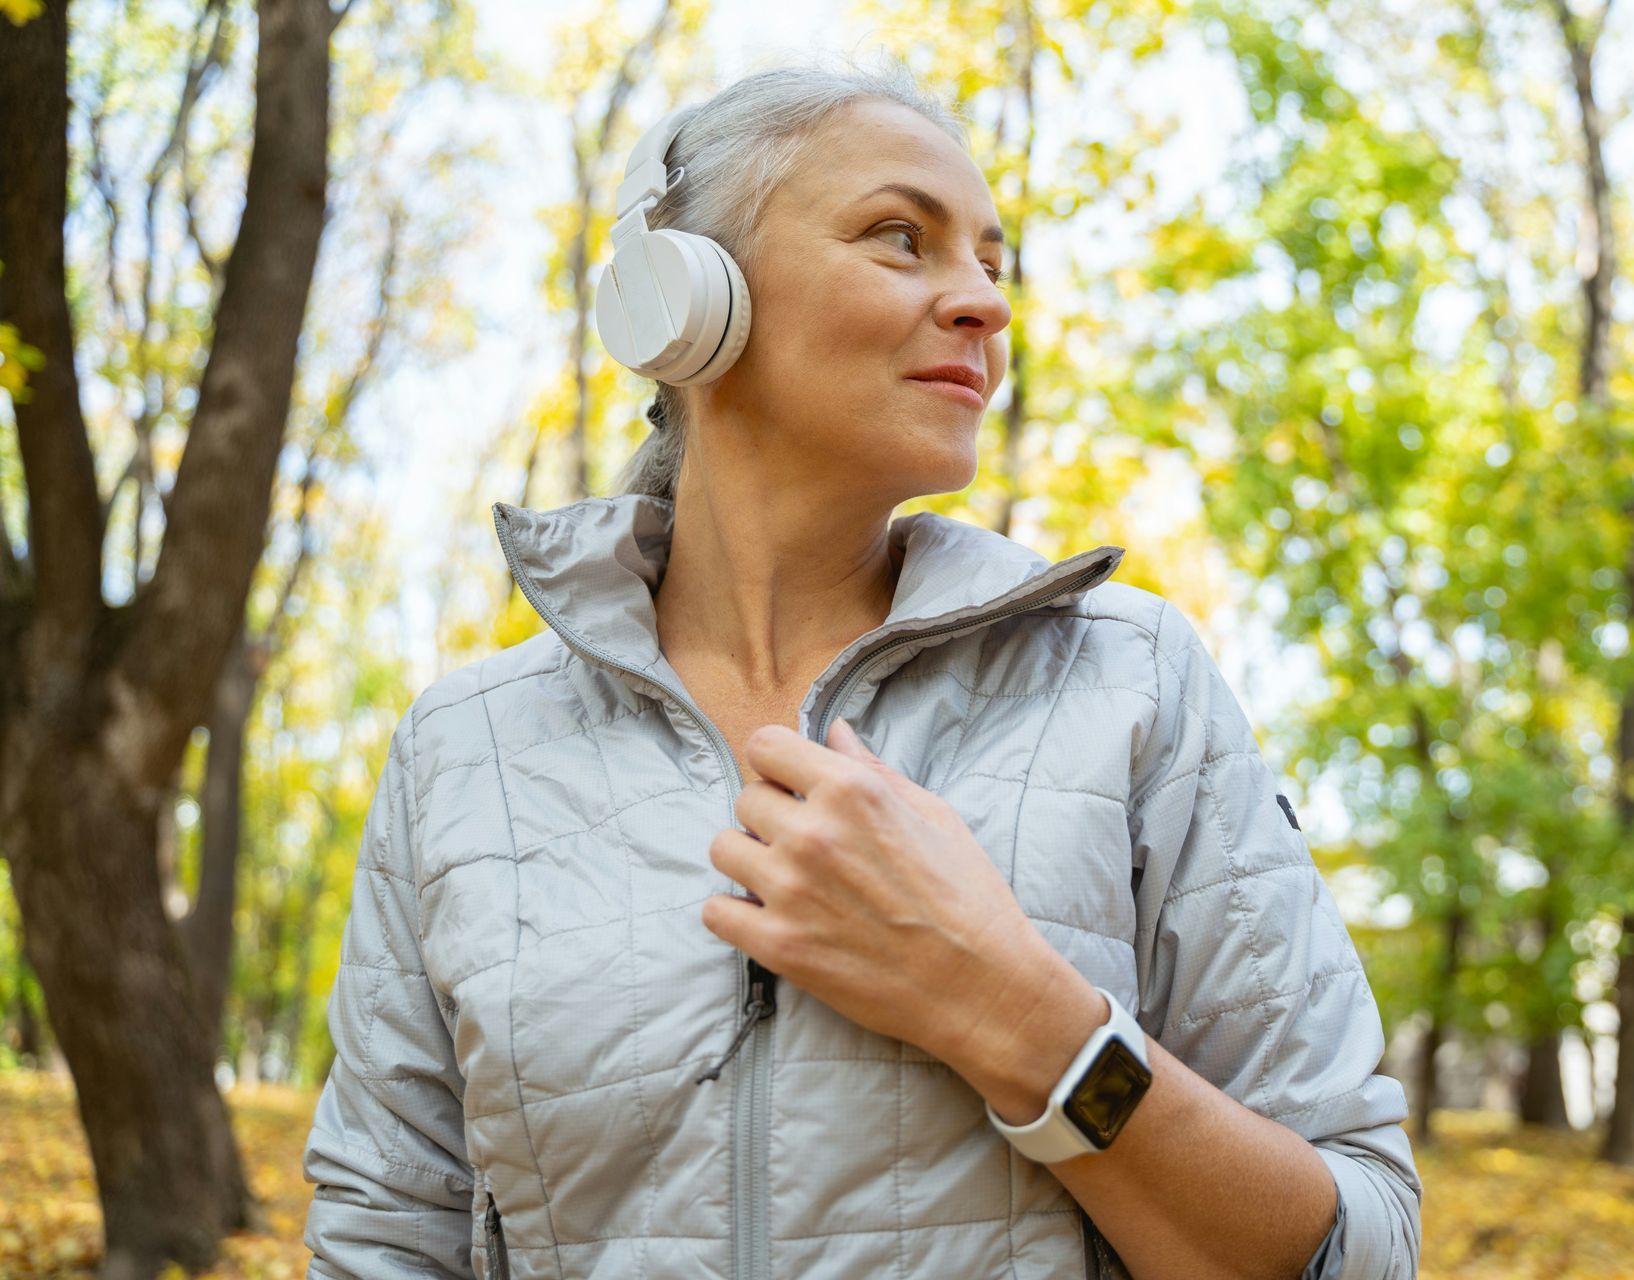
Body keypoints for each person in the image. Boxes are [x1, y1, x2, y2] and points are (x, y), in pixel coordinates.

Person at [300, 55, 1421, 1280]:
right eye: (904, 237)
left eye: (991, 263)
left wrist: (1018, 1017)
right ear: (686, 297)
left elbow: (1358, 1245)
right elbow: (380, 1242)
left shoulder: (1129, 686)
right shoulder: (467, 753)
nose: (984, 304)